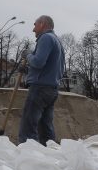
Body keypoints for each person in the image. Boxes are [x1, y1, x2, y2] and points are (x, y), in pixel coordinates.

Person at [18, 15, 66, 145]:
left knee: (28, 128)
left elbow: (38, 62)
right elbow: (53, 69)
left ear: (42, 24)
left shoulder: (45, 38)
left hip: (39, 89)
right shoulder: (57, 42)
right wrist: (28, 71)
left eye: (35, 25)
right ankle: (51, 155)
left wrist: (27, 55)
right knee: (45, 128)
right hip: (51, 90)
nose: (33, 29)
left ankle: (28, 157)